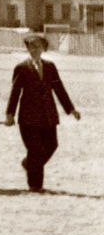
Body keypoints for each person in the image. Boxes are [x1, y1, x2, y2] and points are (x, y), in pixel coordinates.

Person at [5, 32, 81, 193]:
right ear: (27, 49)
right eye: (31, 47)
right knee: (36, 150)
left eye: (37, 47)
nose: (34, 50)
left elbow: (59, 89)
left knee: (52, 145)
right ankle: (35, 186)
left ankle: (29, 164)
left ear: (43, 48)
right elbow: (15, 92)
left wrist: (71, 109)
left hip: (48, 115)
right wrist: (10, 114)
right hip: (28, 118)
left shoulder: (50, 67)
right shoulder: (21, 68)